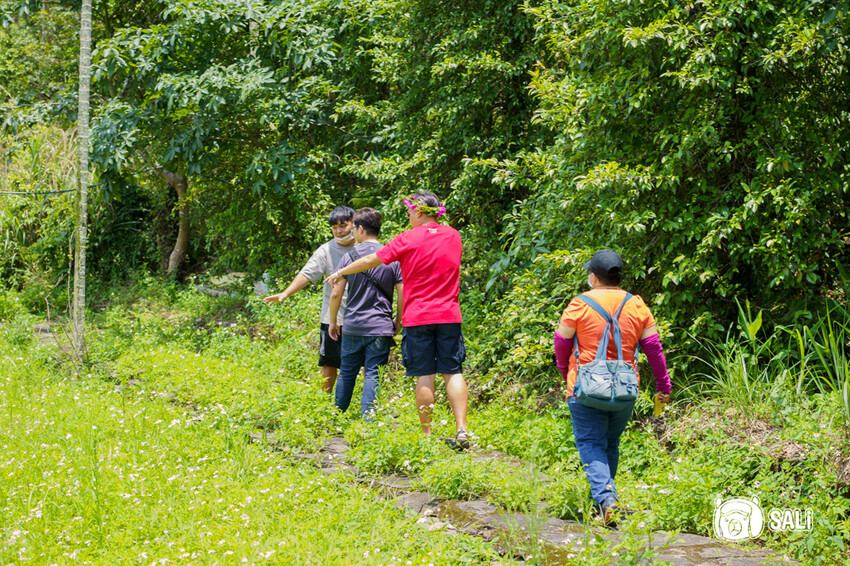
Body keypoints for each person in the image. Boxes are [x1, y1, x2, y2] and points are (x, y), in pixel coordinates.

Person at [326, 191, 470, 450]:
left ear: (419, 211)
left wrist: (341, 271)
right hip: (449, 314)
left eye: (409, 213)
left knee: (424, 374)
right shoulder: (454, 235)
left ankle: (427, 436)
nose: (408, 217)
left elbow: (371, 259)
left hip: (418, 317)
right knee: (453, 371)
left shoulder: (408, 238)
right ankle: (462, 431)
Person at [554, 249, 672, 525]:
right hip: (624, 389)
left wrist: (564, 370)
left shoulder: (579, 304)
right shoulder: (637, 305)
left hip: (584, 387)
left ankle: (607, 500)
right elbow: (653, 348)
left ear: (593, 277)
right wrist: (662, 384)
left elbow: (562, 342)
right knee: (610, 441)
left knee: (591, 442)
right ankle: (605, 500)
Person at [263, 206, 355, 394]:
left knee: (358, 363)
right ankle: (325, 401)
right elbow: (307, 273)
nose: (339, 231)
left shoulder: (365, 247)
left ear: (355, 224)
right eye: (334, 227)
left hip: (360, 315)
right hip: (333, 317)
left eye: (343, 226)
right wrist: (285, 293)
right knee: (329, 361)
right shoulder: (327, 249)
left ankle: (358, 405)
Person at [327, 207, 403, 420]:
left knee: (347, 372)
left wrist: (333, 321)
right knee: (373, 374)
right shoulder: (392, 257)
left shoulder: (350, 257)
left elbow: (336, 294)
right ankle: (369, 421)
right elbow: (401, 293)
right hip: (380, 326)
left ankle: (337, 417)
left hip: (352, 325)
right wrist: (399, 319)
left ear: (360, 229)